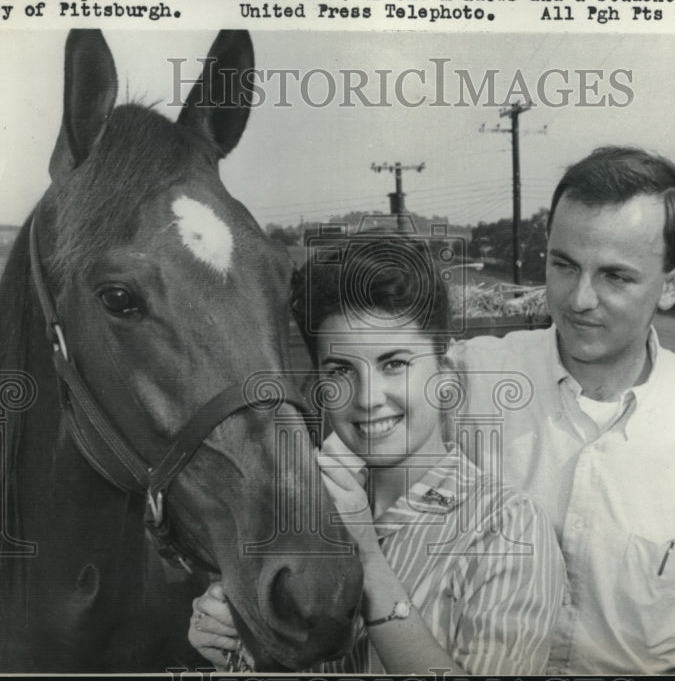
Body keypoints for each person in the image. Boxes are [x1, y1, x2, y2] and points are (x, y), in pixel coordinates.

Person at [450, 146, 675, 674]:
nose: (579, 299)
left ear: (671, 286)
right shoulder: (468, 380)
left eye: (615, 277)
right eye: (564, 265)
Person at [188, 235, 564, 675]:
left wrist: (369, 558)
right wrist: (232, 644)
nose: (368, 398)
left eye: (395, 364)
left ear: (447, 378)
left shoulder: (507, 529)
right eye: (342, 370)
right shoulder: (295, 515)